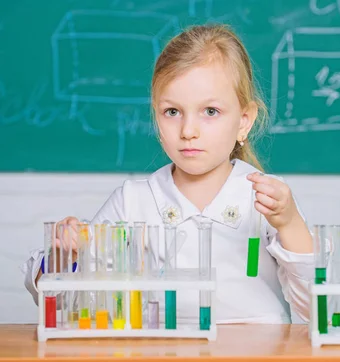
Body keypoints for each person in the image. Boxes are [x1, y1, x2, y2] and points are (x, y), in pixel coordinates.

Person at [21, 24, 315, 325]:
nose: (188, 131)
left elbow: (314, 311)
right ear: (156, 114)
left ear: (244, 121)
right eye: (172, 112)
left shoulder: (268, 198)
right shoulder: (133, 201)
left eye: (210, 111)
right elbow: (65, 306)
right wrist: (65, 255)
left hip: (258, 353)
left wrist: (290, 223)